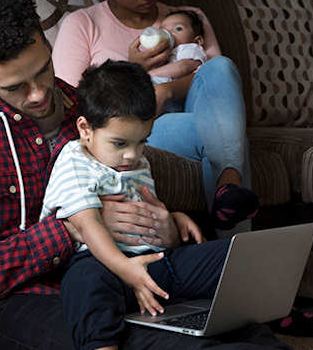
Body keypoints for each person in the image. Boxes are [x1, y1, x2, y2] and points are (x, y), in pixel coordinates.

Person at [0, 0, 291, 350]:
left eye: (42, 70)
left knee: (237, 317)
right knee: (155, 342)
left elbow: (132, 188)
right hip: (20, 301)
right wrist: (70, 230)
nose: (39, 94)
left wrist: (165, 225)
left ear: (45, 39)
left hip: (126, 274)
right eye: (16, 87)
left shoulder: (91, 107)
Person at [52, 0, 258, 232]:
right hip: (142, 132)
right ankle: (235, 250)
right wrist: (131, 73)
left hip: (200, 117)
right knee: (230, 137)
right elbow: (70, 104)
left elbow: (219, 88)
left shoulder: (187, 18)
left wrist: (168, 90)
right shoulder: (83, 25)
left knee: (222, 68)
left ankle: (228, 188)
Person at [43, 60, 243, 349]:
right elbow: (87, 226)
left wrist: (174, 219)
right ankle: (101, 344)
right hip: (103, 264)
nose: (132, 155)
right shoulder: (75, 160)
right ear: (85, 129)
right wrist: (127, 270)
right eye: (120, 143)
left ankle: (266, 315)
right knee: (84, 282)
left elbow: (145, 208)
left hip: (154, 260)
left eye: (142, 142)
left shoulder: (137, 160)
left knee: (232, 254)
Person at [149, 9, 207, 86]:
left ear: (197, 41)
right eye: (163, 31)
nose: (168, 33)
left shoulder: (190, 48)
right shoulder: (165, 52)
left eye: (178, 29)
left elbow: (182, 67)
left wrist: (149, 74)